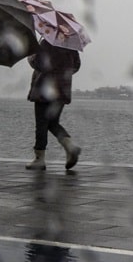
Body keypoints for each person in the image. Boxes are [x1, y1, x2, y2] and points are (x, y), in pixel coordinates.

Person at [25, 39, 82, 171]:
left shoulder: (46, 42)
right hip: (62, 90)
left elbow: (39, 63)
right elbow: (76, 66)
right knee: (52, 123)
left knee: (41, 124)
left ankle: (39, 159)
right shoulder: (70, 45)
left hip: (44, 90)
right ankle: (70, 146)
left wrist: (31, 57)